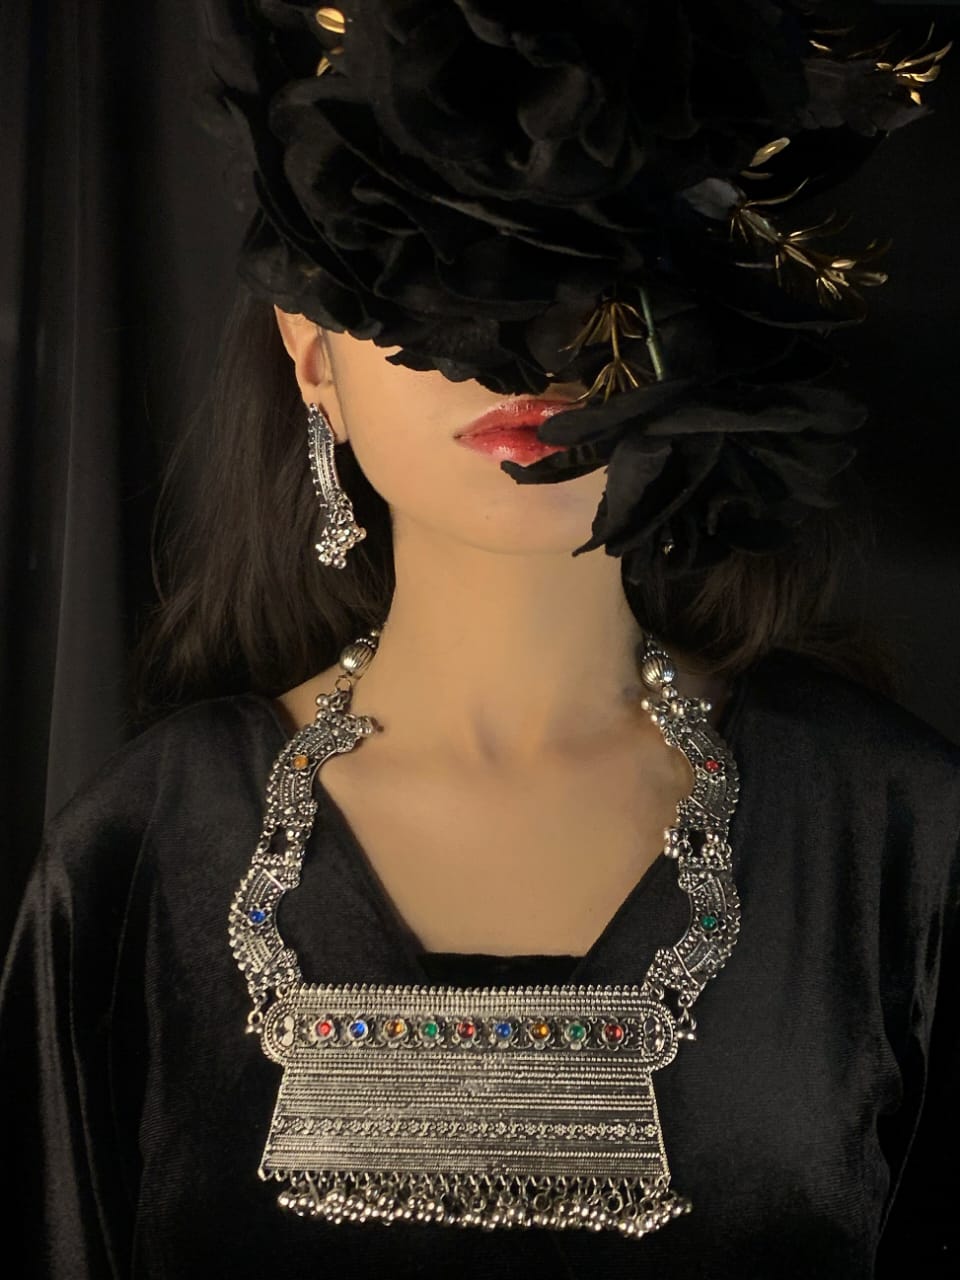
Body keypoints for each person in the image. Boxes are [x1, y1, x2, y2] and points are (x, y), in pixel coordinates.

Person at [2, 2, 957, 1276]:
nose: (527, 349)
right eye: (432, 258)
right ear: (310, 348)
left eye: (597, 256)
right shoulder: (137, 859)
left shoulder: (893, 842)